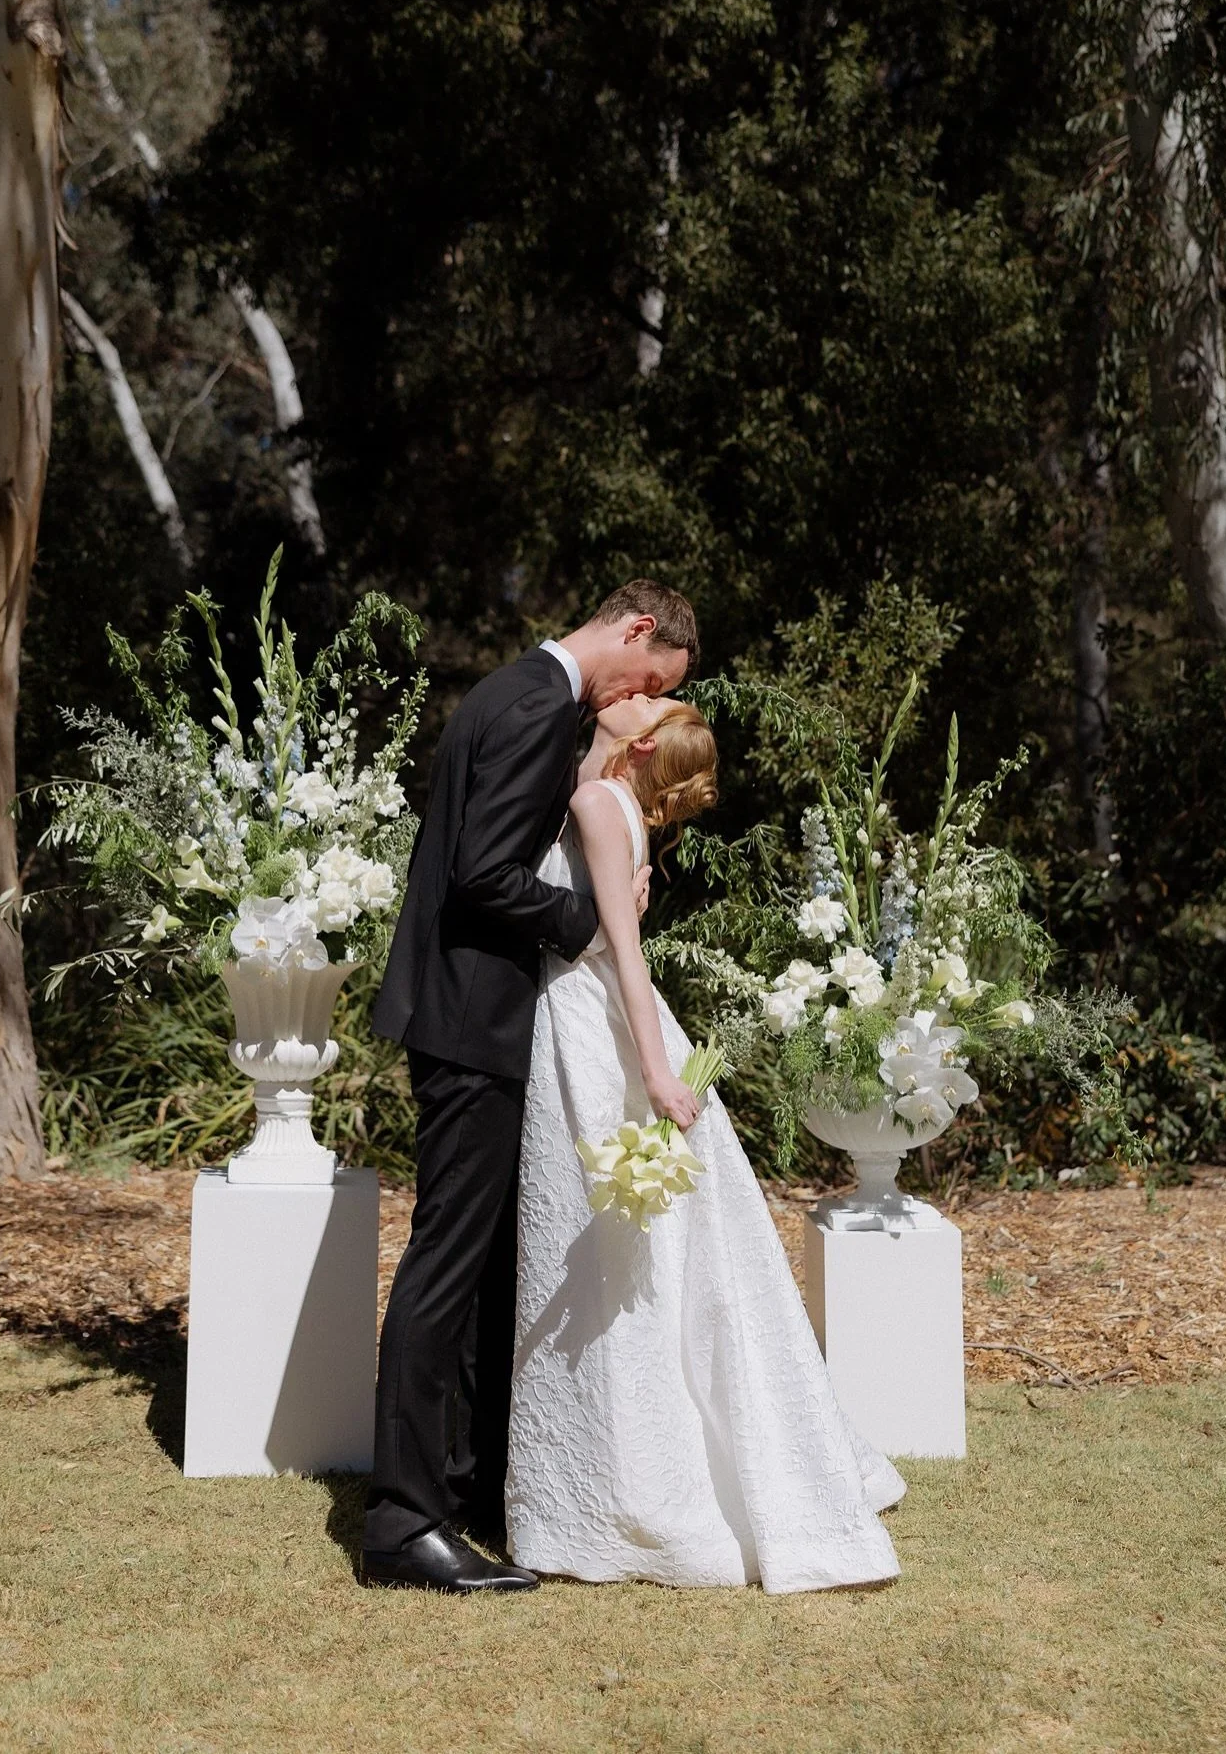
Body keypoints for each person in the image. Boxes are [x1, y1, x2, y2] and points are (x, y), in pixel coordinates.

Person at [506, 697, 905, 1591]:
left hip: (592, 1024)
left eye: (647, 698)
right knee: (619, 1244)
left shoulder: (598, 806)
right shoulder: (600, 794)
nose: (632, 692)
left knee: (617, 1250)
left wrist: (653, 1070)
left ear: (642, 740)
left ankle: (637, 1482)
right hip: (581, 1011)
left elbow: (625, 950)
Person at [362, 582, 698, 1593]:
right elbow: (480, 875)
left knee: (485, 1271)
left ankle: (464, 1487)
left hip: (478, 1020)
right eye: (650, 679)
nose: (639, 697)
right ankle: (399, 1524)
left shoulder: (521, 696)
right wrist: (589, 923)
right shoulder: (531, 703)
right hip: (472, 1021)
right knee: (446, 1268)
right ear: (636, 630)